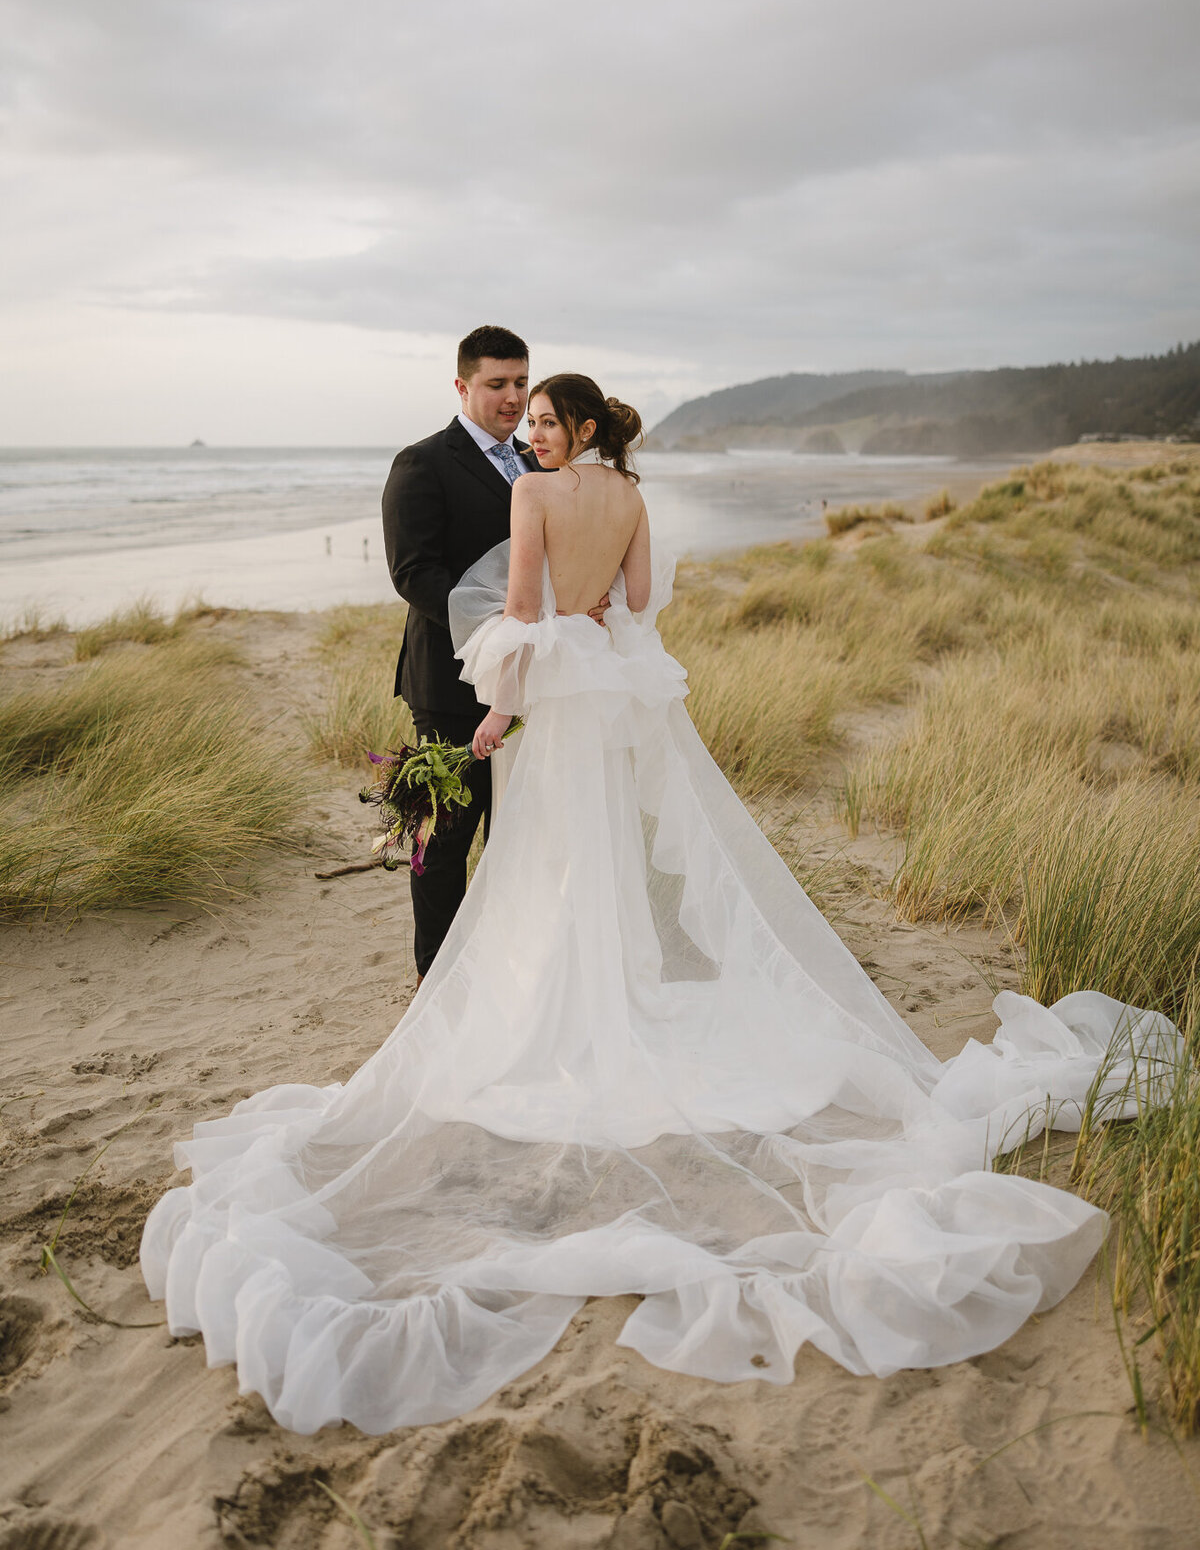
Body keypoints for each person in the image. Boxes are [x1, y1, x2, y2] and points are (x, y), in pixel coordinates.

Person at [141, 374, 1178, 1436]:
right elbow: (633, 611)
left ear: (576, 428)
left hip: (558, 702)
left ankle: (576, 1007)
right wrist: (589, 625)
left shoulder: (534, 499)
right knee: (601, 859)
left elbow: (524, 613)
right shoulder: (631, 498)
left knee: (549, 862)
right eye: (525, 416)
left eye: (545, 419)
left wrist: (493, 720)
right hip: (613, 699)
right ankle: (613, 989)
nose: (531, 432)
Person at [381, 324, 538, 980]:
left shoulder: (536, 462)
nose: (512, 398)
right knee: (445, 837)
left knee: (516, 836)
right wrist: (501, 623)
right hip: (449, 685)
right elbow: (413, 573)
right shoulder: (422, 463)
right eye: (496, 384)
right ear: (462, 385)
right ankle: (436, 978)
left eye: (521, 383)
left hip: (529, 682)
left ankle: (505, 972)